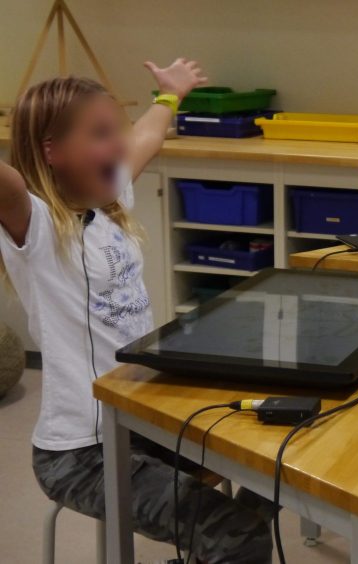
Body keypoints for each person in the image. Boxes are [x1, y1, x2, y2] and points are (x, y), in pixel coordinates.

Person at [0, 61, 273, 563]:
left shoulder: (107, 206)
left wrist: (169, 95)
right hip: (82, 452)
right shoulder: (37, 227)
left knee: (278, 459)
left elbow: (146, 136)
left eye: (116, 130)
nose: (120, 144)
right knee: (239, 536)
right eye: (100, 134)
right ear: (52, 151)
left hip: (145, 420)